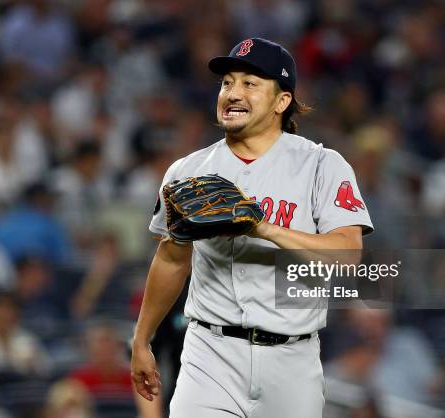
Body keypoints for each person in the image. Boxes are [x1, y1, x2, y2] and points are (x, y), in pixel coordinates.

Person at [131, 38, 374, 418]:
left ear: (282, 101)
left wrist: (263, 228)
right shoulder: (188, 172)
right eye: (227, 82)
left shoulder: (322, 166)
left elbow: (347, 256)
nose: (232, 93)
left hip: (291, 360)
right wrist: (142, 339)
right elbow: (172, 258)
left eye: (250, 83)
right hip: (209, 354)